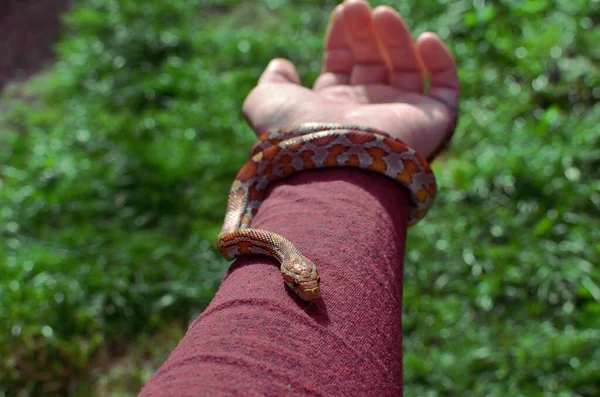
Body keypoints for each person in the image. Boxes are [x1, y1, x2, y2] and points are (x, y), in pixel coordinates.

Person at [139, 0, 459, 395]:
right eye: (297, 283)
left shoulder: (269, 249)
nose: (309, 291)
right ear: (288, 272)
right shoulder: (246, 241)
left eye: (307, 282)